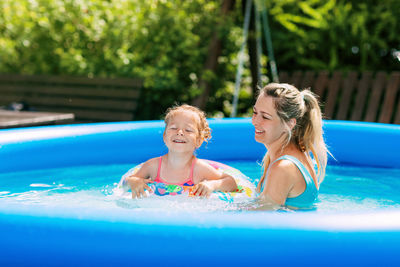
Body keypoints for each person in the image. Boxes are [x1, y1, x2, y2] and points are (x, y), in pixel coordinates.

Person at [125, 104, 237, 198]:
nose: (179, 132)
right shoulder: (153, 166)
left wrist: (212, 185)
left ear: (199, 140)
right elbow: (127, 181)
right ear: (165, 136)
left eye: (188, 130)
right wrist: (134, 182)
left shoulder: (199, 169)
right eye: (173, 128)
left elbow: (230, 182)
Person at [252, 83, 328, 208]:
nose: (255, 121)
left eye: (265, 117)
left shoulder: (283, 168)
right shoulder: (297, 154)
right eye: (255, 112)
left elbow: (260, 220)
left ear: (289, 123)